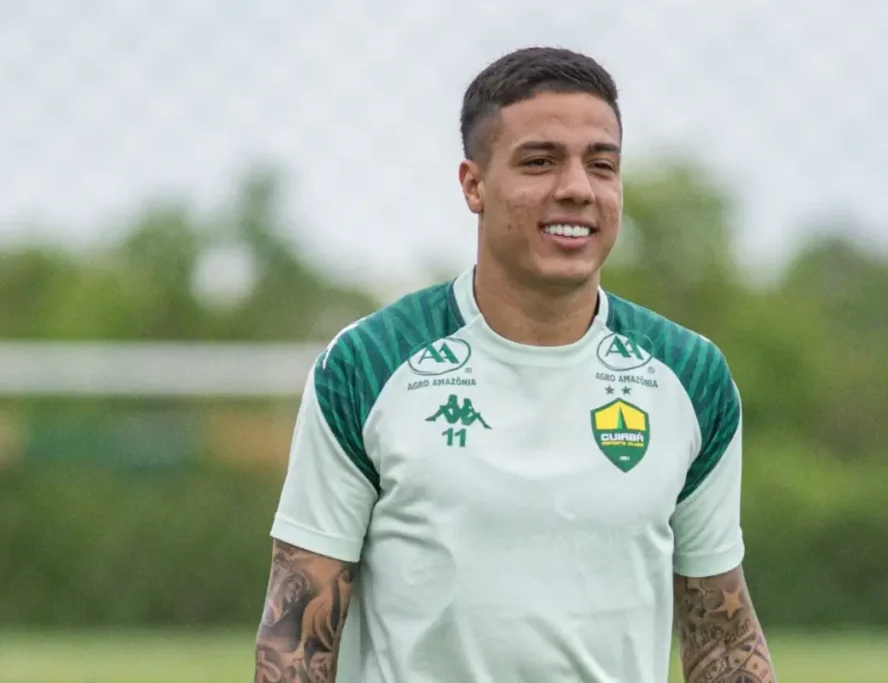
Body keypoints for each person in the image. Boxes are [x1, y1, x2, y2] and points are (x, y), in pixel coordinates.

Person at [253, 46, 776, 683]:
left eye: (601, 165)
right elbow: (295, 640)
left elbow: (721, 638)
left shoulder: (690, 376)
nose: (578, 189)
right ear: (474, 184)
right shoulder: (367, 365)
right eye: (539, 162)